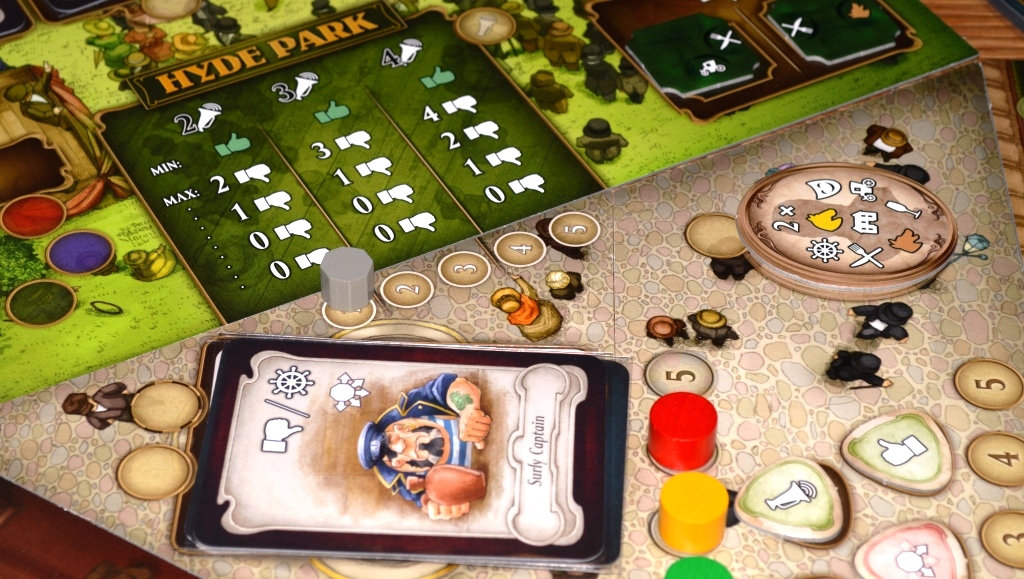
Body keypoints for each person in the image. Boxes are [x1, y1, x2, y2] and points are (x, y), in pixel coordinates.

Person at [357, 374, 491, 520]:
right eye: (392, 456)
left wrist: (468, 410)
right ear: (397, 464)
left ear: (401, 428)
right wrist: (441, 507)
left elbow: (449, 387)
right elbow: (429, 504)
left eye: (393, 439)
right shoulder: (411, 485)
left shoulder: (419, 403)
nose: (401, 447)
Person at [490, 275, 562, 341]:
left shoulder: (512, 318)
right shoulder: (528, 299)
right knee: (543, 305)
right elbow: (528, 289)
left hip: (535, 333)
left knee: (526, 329)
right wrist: (518, 279)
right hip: (552, 322)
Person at [61, 382, 134, 430]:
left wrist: (123, 390)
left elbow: (115, 386)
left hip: (126, 400)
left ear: (89, 398)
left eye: (91, 404)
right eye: (90, 409)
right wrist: (109, 421)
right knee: (134, 417)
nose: (94, 407)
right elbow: (100, 426)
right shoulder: (91, 417)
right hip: (122, 415)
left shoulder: (99, 394)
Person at [827, 351, 892, 387]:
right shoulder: (864, 373)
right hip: (844, 367)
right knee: (841, 370)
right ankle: (834, 370)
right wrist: (881, 382)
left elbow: (871, 378)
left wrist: (881, 382)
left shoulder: (856, 356)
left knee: (841, 372)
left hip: (844, 370)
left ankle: (834, 371)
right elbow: (871, 378)